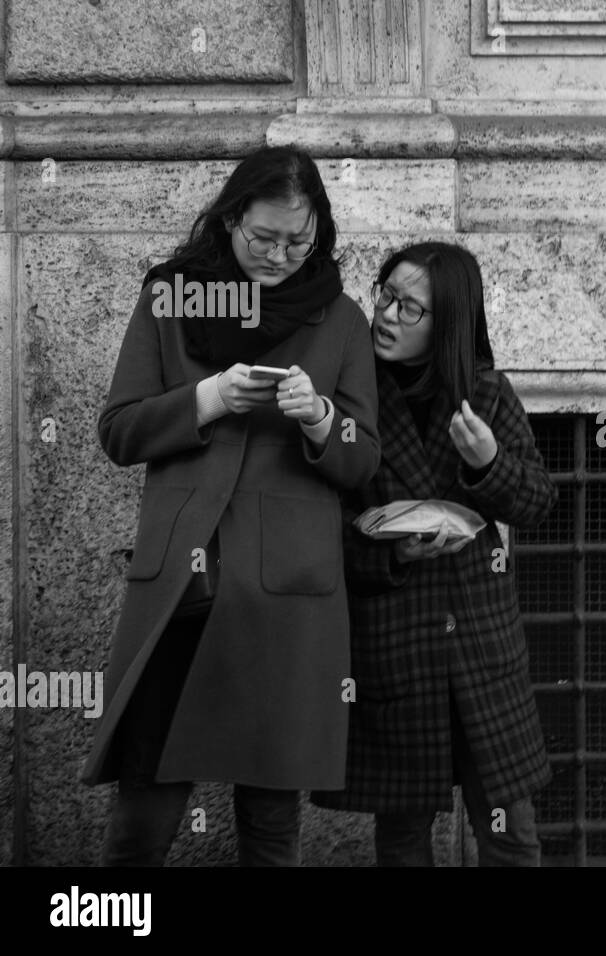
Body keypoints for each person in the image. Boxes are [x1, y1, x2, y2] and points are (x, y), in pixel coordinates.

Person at [83, 145, 381, 866]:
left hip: (285, 599)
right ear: (228, 220)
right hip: (184, 592)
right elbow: (119, 429)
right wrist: (208, 398)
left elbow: (364, 457)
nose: (280, 255)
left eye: (299, 241)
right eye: (263, 238)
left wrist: (317, 418)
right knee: (141, 823)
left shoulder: (340, 319)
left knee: (271, 827)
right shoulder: (170, 296)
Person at [312, 242, 556, 866]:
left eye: (409, 307)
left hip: (480, 642)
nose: (388, 315)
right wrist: (394, 555)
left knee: (508, 832)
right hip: (394, 638)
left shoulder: (486, 393)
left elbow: (537, 502)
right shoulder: (349, 394)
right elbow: (321, 525)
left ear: (447, 323)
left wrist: (488, 464)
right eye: (385, 297)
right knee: (402, 837)